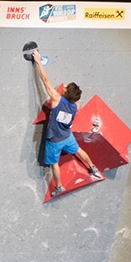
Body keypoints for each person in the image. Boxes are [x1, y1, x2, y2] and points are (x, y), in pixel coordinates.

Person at [31, 48, 103, 197]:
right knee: (79, 150)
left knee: (54, 164)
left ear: (65, 93)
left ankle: (59, 186)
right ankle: (93, 167)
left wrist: (38, 61)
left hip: (54, 140)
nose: (63, 87)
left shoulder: (57, 99)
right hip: (67, 136)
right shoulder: (77, 105)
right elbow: (75, 99)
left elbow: (45, 81)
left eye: (65, 88)